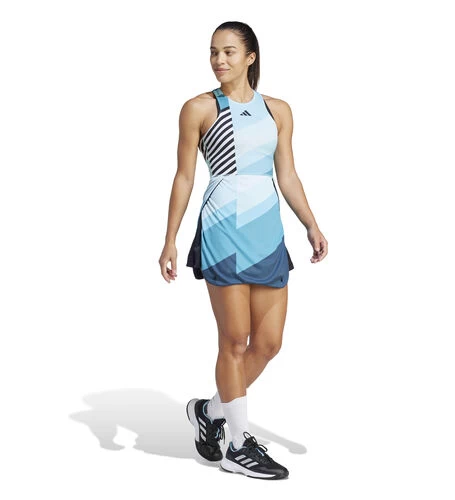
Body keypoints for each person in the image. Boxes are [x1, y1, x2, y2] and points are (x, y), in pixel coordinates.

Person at [159, 21, 328, 480]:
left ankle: (209, 411)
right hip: (222, 230)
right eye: (214, 51)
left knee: (268, 344)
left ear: (250, 57)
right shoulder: (199, 108)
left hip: (267, 232)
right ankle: (237, 444)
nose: (219, 60)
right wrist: (170, 239)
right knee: (234, 341)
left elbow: (287, 174)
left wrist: (311, 224)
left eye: (229, 52)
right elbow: (184, 177)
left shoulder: (278, 110)